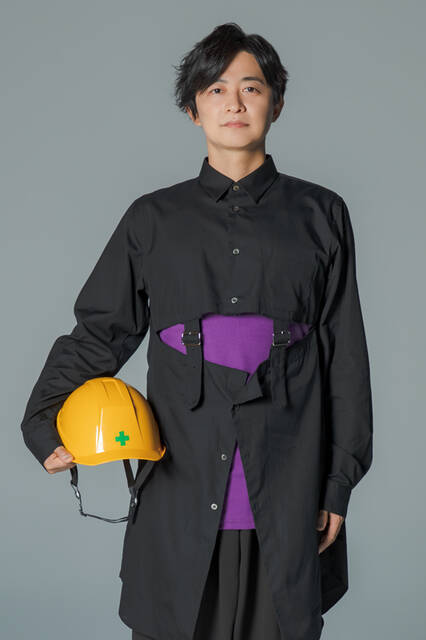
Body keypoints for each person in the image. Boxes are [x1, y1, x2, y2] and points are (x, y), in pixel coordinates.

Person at [21, 22, 373, 640]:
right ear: (193, 108)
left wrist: (338, 483)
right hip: (180, 490)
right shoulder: (151, 220)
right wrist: (44, 418)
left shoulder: (322, 215)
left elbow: (344, 356)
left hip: (288, 489)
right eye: (215, 89)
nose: (234, 103)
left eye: (251, 87)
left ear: (276, 102)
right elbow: (101, 331)